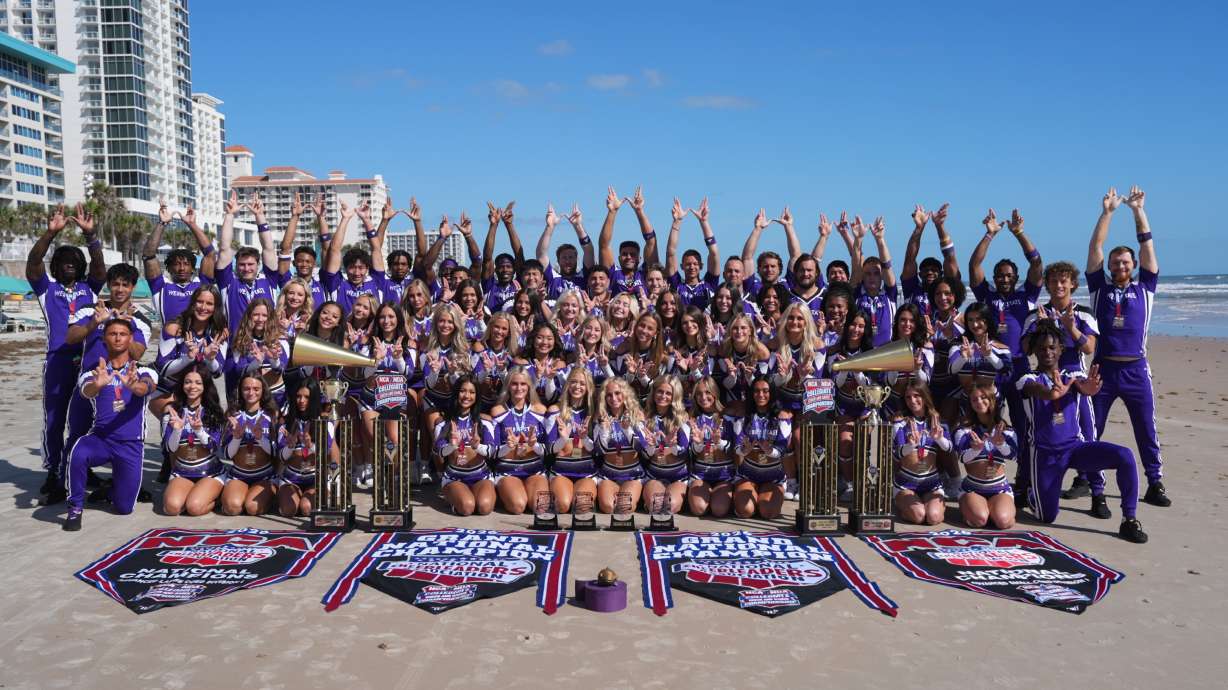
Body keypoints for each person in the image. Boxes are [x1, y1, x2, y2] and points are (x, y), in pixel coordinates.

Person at [1018, 323, 1147, 543]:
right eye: (1041, 348)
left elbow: (1083, 385)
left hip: (1075, 449)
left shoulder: (1072, 376)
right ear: (1034, 351)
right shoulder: (1027, 379)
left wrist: (1089, 389)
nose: (1047, 352)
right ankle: (1033, 493)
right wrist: (1051, 393)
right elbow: (1037, 391)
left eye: (1052, 347)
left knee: (1125, 456)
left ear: (1061, 349)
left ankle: (1130, 519)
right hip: (1046, 456)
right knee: (1047, 517)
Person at [1086, 185, 1170, 507]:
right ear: (1109, 267)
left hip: (1136, 369)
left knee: (1146, 429)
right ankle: (1087, 480)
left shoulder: (1146, 287)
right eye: (1115, 263)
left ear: (1133, 265)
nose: (1120, 267)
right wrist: (1107, 213)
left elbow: (1147, 244)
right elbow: (1095, 246)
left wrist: (1138, 211)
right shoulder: (1099, 288)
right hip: (1103, 369)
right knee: (1091, 428)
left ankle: (1155, 482)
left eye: (1124, 263)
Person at [27, 203, 105, 501]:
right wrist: (50, 233)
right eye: (63, 260)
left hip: (87, 362)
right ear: (56, 266)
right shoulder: (46, 288)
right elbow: (33, 263)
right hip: (58, 361)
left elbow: (100, 267)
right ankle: (53, 469)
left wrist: (91, 237)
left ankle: (82, 465)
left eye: (74, 260)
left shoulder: (90, 288)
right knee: (55, 418)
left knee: (85, 419)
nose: (69, 263)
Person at [968, 207, 1043, 499]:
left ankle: (1023, 480)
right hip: (991, 367)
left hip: (1019, 366)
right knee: (987, 421)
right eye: (1000, 276)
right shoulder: (986, 295)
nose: (1004, 279)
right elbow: (974, 264)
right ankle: (987, 477)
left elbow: (1037, 263)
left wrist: (1019, 233)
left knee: (1023, 424)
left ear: (1015, 277)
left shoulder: (1027, 295)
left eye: (1009, 276)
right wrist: (989, 234)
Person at [63, 318, 158, 531]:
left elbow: (147, 387)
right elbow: (86, 391)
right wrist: (97, 385)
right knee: (78, 450)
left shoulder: (143, 371)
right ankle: (75, 507)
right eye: (112, 333)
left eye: (122, 334)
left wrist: (135, 386)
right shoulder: (95, 372)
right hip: (101, 439)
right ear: (104, 339)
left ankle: (110, 490)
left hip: (130, 444)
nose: (117, 338)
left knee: (124, 508)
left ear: (130, 339)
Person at [1021, 260, 1099, 502]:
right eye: (1053, 281)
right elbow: (1025, 348)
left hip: (1075, 377)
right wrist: (1040, 327)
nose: (1058, 286)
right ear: (1047, 284)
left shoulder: (1083, 313)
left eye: (1063, 281)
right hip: (1044, 378)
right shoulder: (1036, 314)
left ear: (1073, 284)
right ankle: (1031, 483)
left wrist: (1071, 328)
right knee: (1039, 430)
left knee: (1086, 432)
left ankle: (1094, 489)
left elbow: (1089, 348)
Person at [210, 191, 281, 333]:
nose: (246, 268)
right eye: (242, 265)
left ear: (258, 265)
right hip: (236, 344)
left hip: (265, 344)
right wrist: (230, 215)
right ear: (236, 265)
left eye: (250, 264)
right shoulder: (228, 282)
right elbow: (224, 248)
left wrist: (259, 216)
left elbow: (268, 248)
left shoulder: (268, 280)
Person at [141, 200, 216, 336]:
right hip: (170, 344)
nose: (181, 268)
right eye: (176, 264)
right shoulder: (160, 287)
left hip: (198, 344)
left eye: (186, 264)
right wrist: (162, 223)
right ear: (169, 268)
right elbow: (148, 255)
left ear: (193, 268)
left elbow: (210, 254)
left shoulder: (202, 285)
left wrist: (192, 224)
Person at [161, 363, 227, 517]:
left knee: (194, 508)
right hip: (182, 471)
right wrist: (177, 429)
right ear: (182, 384)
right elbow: (170, 449)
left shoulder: (213, 412)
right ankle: (194, 493)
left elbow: (214, 448)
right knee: (171, 508)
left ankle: (217, 498)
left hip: (210, 472)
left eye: (198, 382)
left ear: (205, 386)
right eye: (188, 382)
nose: (192, 387)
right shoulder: (172, 411)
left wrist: (199, 431)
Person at [484, 367, 550, 514]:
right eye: (514, 384)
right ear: (508, 386)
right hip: (508, 470)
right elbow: (493, 451)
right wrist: (508, 446)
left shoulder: (540, 410)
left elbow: (549, 448)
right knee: (517, 506)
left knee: (541, 507)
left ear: (529, 386)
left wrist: (535, 445)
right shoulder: (498, 411)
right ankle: (503, 493)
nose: (519, 388)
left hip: (534, 469)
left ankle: (519, 493)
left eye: (523, 384)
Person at [954, 382, 1018, 529]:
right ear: (970, 404)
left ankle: (995, 509)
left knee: (1004, 522)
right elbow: (962, 457)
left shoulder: (1005, 429)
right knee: (980, 520)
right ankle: (975, 507)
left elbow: (1013, 456)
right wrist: (976, 449)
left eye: (983, 398)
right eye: (974, 399)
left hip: (999, 488)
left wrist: (1000, 444)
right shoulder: (964, 430)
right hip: (973, 488)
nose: (979, 402)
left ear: (992, 400)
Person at [891, 383, 951, 526]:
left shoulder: (937, 421)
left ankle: (929, 506)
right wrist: (911, 445)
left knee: (933, 518)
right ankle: (903, 504)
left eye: (917, 396)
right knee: (919, 516)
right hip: (906, 484)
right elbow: (897, 455)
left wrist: (939, 439)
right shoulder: (900, 423)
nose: (912, 400)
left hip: (932, 484)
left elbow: (949, 448)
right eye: (908, 397)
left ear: (925, 397)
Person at [435, 375, 496, 516]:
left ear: (477, 396)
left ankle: (472, 495)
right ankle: (454, 496)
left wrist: (477, 446)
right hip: (455, 477)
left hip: (481, 475)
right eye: (462, 391)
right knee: (467, 507)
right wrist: (452, 445)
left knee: (485, 507)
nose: (467, 396)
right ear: (456, 393)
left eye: (472, 392)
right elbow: (439, 451)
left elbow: (492, 451)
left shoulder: (485, 421)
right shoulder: (443, 422)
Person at [731, 376, 791, 519]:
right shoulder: (743, 416)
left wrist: (769, 450)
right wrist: (744, 450)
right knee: (745, 510)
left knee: (768, 512)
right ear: (752, 393)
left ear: (772, 393)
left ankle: (761, 497)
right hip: (747, 475)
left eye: (765, 391)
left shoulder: (782, 417)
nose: (761, 395)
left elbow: (782, 449)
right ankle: (748, 497)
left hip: (773, 477)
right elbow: (737, 446)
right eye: (756, 391)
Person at [220, 374, 279, 517]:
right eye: (246, 388)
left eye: (256, 389)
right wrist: (236, 438)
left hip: (264, 476)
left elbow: (276, 452)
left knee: (252, 507)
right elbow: (227, 455)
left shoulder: (271, 415)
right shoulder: (233, 416)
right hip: (239, 474)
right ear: (240, 391)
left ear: (263, 391)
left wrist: (260, 438)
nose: (251, 392)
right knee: (232, 508)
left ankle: (269, 496)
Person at [546, 367, 600, 515]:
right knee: (562, 506)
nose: (577, 386)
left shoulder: (594, 412)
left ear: (588, 387)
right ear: (567, 384)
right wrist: (563, 440)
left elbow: (597, 449)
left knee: (581, 507)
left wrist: (584, 438)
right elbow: (549, 449)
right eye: (573, 382)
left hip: (587, 472)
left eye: (582, 383)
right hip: (561, 471)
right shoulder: (555, 410)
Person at [593, 378, 647, 513]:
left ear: (625, 394)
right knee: (608, 507)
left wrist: (627, 430)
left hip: (632, 474)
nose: (613, 398)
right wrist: (604, 430)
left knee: (624, 508)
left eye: (617, 393)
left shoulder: (636, 415)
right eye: (609, 395)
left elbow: (641, 447)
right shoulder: (601, 417)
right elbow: (599, 451)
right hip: (608, 474)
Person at [640, 375, 692, 515]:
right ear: (654, 392)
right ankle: (647, 500)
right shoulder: (645, 416)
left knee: (669, 507)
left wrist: (673, 446)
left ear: (675, 396)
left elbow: (684, 451)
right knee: (656, 507)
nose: (663, 396)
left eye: (668, 393)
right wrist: (650, 447)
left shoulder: (682, 417)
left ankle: (678, 500)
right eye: (660, 391)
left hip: (678, 476)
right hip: (654, 475)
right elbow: (643, 455)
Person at [277, 379, 327, 518]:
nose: (301, 401)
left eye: (307, 397)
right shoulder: (286, 422)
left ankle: (312, 497)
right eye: (298, 396)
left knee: (307, 508)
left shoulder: (323, 422)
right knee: (289, 510)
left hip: (315, 479)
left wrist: (311, 446)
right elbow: (281, 457)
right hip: (291, 479)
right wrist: (290, 446)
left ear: (314, 399)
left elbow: (327, 454)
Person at [900, 203, 961, 317]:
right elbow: (910, 260)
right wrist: (919, 228)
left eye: (934, 270)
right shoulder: (912, 288)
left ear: (941, 274)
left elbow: (950, 258)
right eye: (926, 270)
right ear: (919, 274)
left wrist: (940, 226)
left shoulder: (948, 291)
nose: (929, 272)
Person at [847, 215, 899, 347]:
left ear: (881, 276)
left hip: (886, 352)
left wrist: (880, 240)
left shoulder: (889, 294)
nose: (872, 277)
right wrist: (858, 239)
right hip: (862, 353)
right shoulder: (857, 294)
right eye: (868, 274)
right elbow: (856, 267)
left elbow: (887, 266)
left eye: (876, 273)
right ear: (862, 276)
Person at [686, 377, 735, 517]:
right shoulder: (692, 418)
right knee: (698, 509)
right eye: (699, 394)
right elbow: (691, 453)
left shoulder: (728, 416)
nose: (703, 397)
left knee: (719, 510)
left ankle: (725, 499)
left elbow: (736, 450)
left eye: (707, 392)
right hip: (701, 474)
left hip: (724, 475)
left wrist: (719, 442)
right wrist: (699, 444)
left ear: (715, 393)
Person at [600, 186, 658, 296]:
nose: (628, 257)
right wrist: (612, 212)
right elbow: (604, 245)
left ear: (639, 258)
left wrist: (639, 211)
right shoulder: (613, 273)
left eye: (633, 254)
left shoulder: (645, 273)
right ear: (619, 258)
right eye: (624, 254)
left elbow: (651, 241)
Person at [667, 198, 720, 310]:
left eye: (695, 264)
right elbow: (671, 253)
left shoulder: (709, 283)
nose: (692, 267)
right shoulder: (677, 285)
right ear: (681, 266)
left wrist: (704, 222)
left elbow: (714, 253)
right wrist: (677, 221)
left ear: (701, 266)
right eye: (688, 264)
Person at [538, 203, 595, 299]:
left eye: (571, 257)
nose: (568, 261)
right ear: (558, 260)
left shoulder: (585, 276)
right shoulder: (553, 278)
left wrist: (578, 226)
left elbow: (589, 251)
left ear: (577, 259)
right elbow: (541, 254)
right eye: (564, 258)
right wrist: (549, 227)